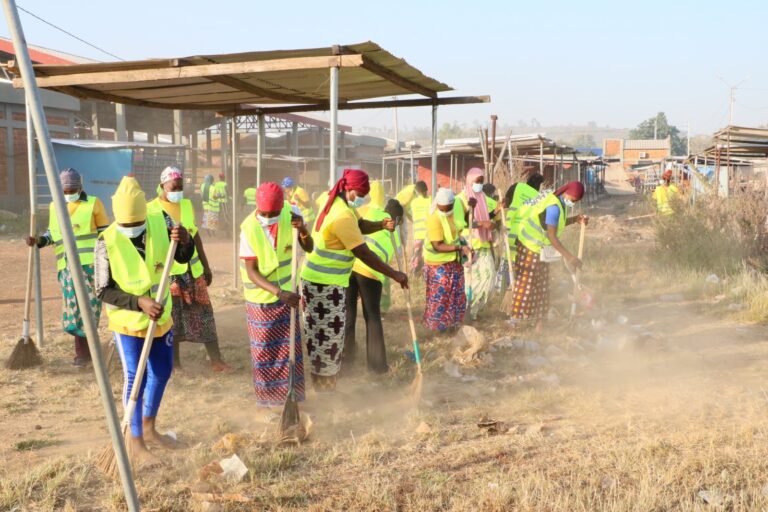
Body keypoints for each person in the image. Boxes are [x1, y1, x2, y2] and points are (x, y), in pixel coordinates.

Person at [94, 175, 194, 460]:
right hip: (128, 322)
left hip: (161, 317)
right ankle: (135, 440)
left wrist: (186, 241)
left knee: (162, 371)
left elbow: (182, 257)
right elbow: (102, 290)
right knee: (134, 378)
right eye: (127, 226)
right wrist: (139, 302)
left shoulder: (161, 221)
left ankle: (149, 427)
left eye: (137, 225)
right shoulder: (106, 241)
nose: (133, 230)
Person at [300, 169, 408, 392]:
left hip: (330, 281)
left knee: (331, 334)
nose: (361, 198)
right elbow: (363, 252)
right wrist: (394, 274)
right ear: (349, 188)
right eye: (360, 194)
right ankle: (325, 391)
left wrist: (380, 225)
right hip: (323, 283)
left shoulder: (340, 204)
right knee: (326, 338)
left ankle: (327, 386)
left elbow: (361, 226)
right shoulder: (342, 215)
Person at [240, 182, 313, 413]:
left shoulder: (292, 213)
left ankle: (291, 399)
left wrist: (303, 229)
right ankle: (267, 404)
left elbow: (309, 247)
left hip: (288, 295)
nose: (269, 218)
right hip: (261, 299)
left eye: (274, 213)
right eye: (264, 213)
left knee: (289, 350)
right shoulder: (249, 228)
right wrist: (279, 293)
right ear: (257, 208)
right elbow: (252, 271)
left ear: (282, 207)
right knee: (264, 352)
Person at [147, 166, 228, 372]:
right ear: (162, 186)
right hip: (170, 274)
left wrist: (206, 266)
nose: (178, 191)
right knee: (172, 318)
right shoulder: (152, 210)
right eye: (174, 187)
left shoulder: (186, 204)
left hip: (193, 271)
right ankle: (175, 364)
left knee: (205, 314)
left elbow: (195, 235)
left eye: (180, 187)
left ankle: (216, 360)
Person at [26, 168, 109, 366]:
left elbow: (106, 234)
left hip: (90, 267)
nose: (69, 194)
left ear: (80, 188)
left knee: (90, 309)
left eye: (72, 190)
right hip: (66, 267)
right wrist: (38, 240)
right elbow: (52, 234)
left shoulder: (93, 203)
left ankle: (89, 352)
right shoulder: (55, 206)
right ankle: (83, 354)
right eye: (65, 191)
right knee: (74, 311)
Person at [510, 181, 588, 332]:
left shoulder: (556, 199)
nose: (573, 203)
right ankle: (514, 321)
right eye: (573, 200)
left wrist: (575, 219)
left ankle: (539, 322)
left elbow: (553, 224)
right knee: (526, 285)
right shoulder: (553, 207)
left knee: (542, 286)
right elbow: (552, 236)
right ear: (566, 193)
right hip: (530, 246)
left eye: (576, 201)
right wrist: (570, 257)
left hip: (539, 248)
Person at [343, 199, 403, 374]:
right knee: (372, 317)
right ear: (397, 219)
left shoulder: (372, 213)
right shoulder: (394, 232)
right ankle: (377, 366)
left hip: (351, 266)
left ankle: (346, 361)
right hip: (371, 272)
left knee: (348, 315)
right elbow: (394, 254)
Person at [423, 188, 469, 332]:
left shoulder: (452, 214)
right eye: (442, 209)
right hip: (438, 265)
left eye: (448, 208)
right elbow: (437, 245)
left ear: (453, 204)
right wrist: (459, 248)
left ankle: (453, 324)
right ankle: (436, 329)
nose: (445, 211)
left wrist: (464, 245)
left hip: (453, 262)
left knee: (457, 294)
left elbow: (457, 233)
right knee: (440, 297)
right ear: (437, 204)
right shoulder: (434, 218)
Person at [455, 168, 499, 321]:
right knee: (471, 281)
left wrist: (495, 212)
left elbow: (484, 216)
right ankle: (466, 311)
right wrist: (482, 224)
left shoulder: (482, 197)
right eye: (477, 181)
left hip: (484, 244)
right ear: (470, 180)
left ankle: (472, 309)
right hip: (469, 246)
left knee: (489, 279)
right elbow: (461, 222)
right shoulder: (461, 199)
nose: (479, 184)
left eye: (482, 181)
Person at [503, 172, 545, 262]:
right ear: (539, 185)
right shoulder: (539, 197)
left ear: (528, 180)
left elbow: (505, 203)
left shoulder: (517, 186)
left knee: (507, 259)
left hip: (509, 229)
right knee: (520, 263)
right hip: (525, 235)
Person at [409, 181, 431, 275]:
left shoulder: (413, 203)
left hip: (417, 234)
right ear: (426, 190)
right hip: (428, 234)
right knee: (427, 255)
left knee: (417, 254)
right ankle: (426, 273)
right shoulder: (430, 200)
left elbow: (411, 216)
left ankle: (414, 273)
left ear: (417, 191)